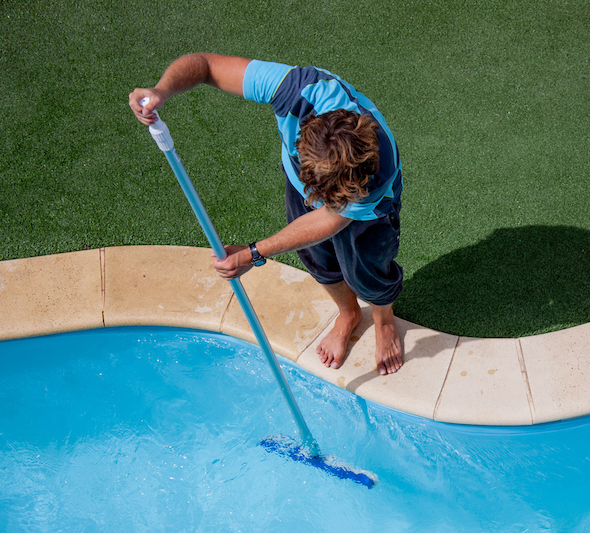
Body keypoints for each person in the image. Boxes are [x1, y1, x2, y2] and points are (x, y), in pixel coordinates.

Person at [129, 53, 404, 375]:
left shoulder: (376, 168)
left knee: (369, 274)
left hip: (368, 211)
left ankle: (384, 321)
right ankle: (348, 314)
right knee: (318, 260)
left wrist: (253, 253)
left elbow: (330, 219)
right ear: (304, 141)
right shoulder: (296, 90)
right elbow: (204, 65)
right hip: (304, 182)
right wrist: (162, 90)